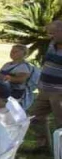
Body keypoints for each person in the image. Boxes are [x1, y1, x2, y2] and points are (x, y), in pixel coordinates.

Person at [28, 16, 62, 149]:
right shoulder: (51, 44)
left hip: (59, 92)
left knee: (60, 123)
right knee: (35, 118)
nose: (50, 36)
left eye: (53, 33)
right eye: (49, 33)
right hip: (44, 89)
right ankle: (43, 146)